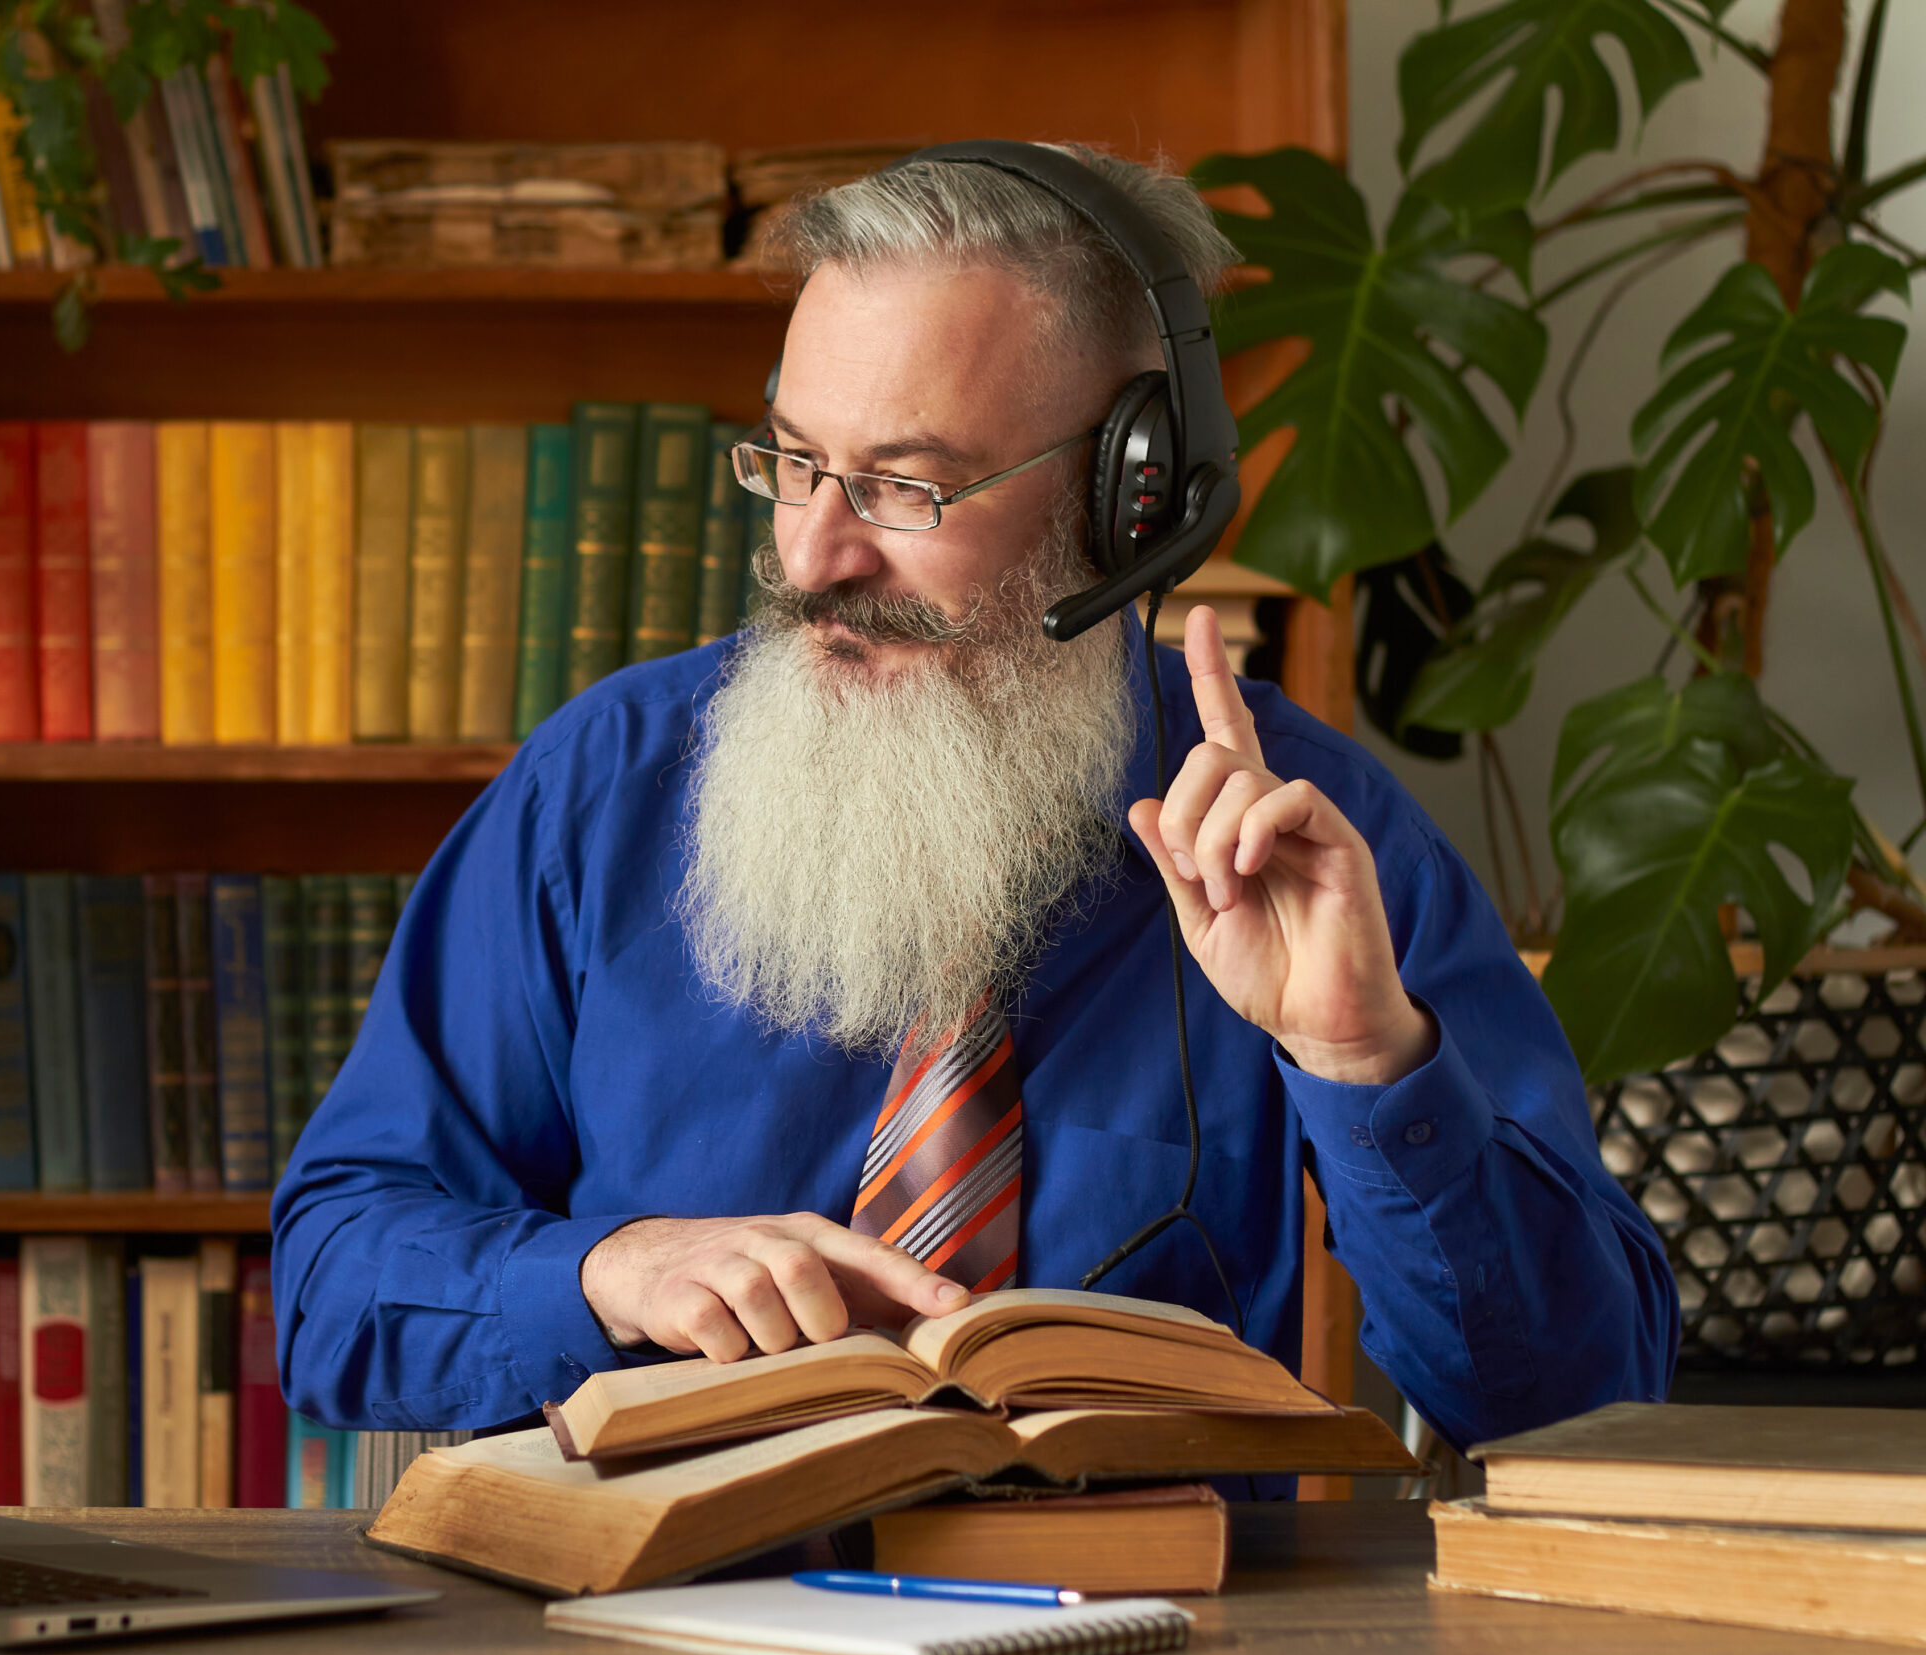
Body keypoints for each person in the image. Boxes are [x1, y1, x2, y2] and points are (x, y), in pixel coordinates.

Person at [271, 143, 1677, 1458]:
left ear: (1128, 505)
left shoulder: (1310, 844)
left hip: (1137, 1641)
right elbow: (333, 1284)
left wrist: (1370, 1061)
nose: (814, 555)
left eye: (907, 488)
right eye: (793, 460)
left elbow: (1581, 1403)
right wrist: (603, 1270)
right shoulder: (607, 786)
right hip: (659, 1633)